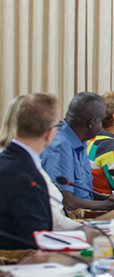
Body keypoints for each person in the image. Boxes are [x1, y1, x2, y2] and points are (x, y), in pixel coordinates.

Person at [41, 92, 114, 211]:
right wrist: (105, 206)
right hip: (69, 222)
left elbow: (82, 191)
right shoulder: (60, 145)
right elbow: (66, 200)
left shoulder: (80, 139)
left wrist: (107, 200)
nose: (101, 127)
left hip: (86, 216)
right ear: (91, 123)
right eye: (100, 121)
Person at [0, 94, 61, 249]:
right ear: (49, 133)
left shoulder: (7, 161)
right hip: (19, 267)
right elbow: (36, 240)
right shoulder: (28, 177)